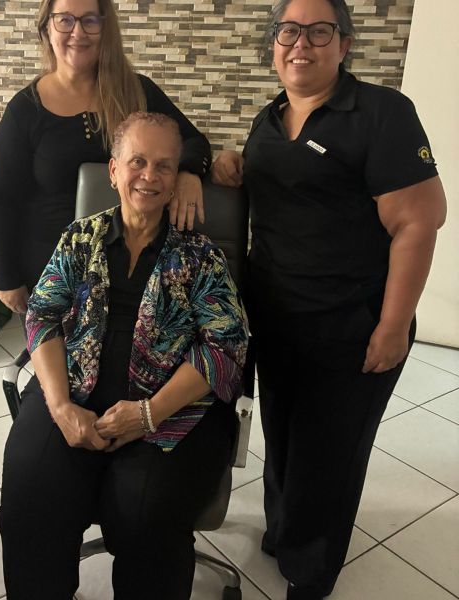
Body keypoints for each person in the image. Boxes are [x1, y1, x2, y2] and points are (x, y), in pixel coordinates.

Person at [211, 1, 447, 599]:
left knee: (329, 455)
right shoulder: (269, 121)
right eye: (289, 31)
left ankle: (310, 572)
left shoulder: (381, 113)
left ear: (344, 45)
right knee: (283, 436)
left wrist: (393, 326)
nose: (301, 45)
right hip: (276, 320)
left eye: (320, 32)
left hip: (352, 324)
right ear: (273, 45)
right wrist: (230, 164)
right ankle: (286, 531)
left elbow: (419, 222)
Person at [0, 112, 248, 600]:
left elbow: (226, 346)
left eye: (163, 166)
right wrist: (60, 407)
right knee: (32, 497)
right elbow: (42, 317)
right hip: (72, 393)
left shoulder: (199, 256)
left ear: (177, 178)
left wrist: (147, 414)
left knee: (144, 513)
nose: (149, 176)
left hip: (170, 411)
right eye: (137, 162)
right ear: (113, 171)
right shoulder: (79, 238)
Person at [0, 0, 211, 316]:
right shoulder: (25, 110)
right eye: (65, 20)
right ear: (46, 28)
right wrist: (6, 277)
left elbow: (193, 141)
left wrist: (187, 173)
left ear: (106, 29)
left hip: (134, 272)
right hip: (54, 274)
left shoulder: (137, 91)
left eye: (90, 20)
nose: (78, 32)